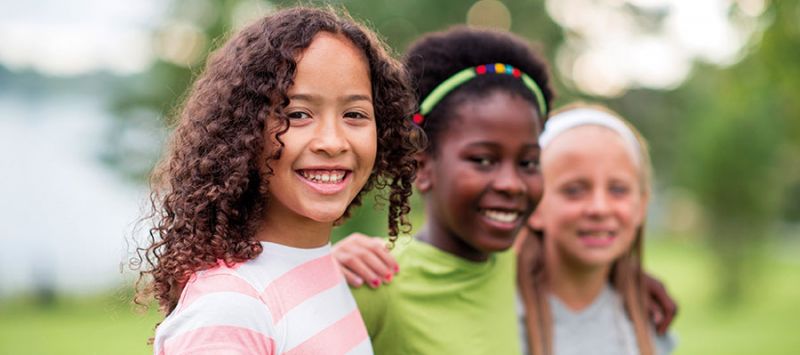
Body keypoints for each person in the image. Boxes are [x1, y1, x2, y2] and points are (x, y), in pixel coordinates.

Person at [132, 7, 422, 354]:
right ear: (244, 133)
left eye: (354, 114)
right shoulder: (230, 309)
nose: (332, 141)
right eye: (297, 114)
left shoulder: (325, 270)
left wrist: (328, 264)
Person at [340, 26, 554, 355]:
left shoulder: (525, 269)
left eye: (527, 163)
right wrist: (315, 273)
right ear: (422, 167)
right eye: (483, 160)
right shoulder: (372, 282)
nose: (511, 184)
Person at [516, 104, 676, 355]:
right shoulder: (501, 317)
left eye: (618, 190)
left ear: (641, 205)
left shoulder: (649, 322)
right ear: (534, 208)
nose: (599, 208)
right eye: (574, 190)